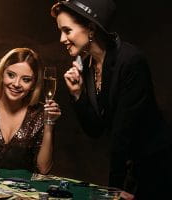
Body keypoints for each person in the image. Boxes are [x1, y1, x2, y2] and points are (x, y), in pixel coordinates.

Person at [51, 0, 172, 199]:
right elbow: (95, 129)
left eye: (67, 30)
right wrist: (78, 95)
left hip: (155, 168)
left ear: (90, 29)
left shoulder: (130, 60)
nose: (62, 38)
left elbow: (124, 131)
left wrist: (114, 189)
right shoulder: (88, 65)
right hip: (129, 167)